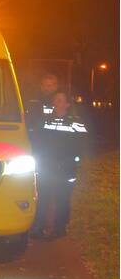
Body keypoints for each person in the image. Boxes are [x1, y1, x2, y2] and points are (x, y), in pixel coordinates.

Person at [31, 91, 87, 239]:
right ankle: (39, 227)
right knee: (43, 197)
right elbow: (37, 141)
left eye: (60, 99)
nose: (56, 101)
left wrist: (71, 160)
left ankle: (59, 228)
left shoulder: (76, 122)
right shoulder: (44, 120)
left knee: (62, 199)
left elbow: (81, 145)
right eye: (55, 99)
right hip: (46, 166)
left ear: (68, 104)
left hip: (65, 168)